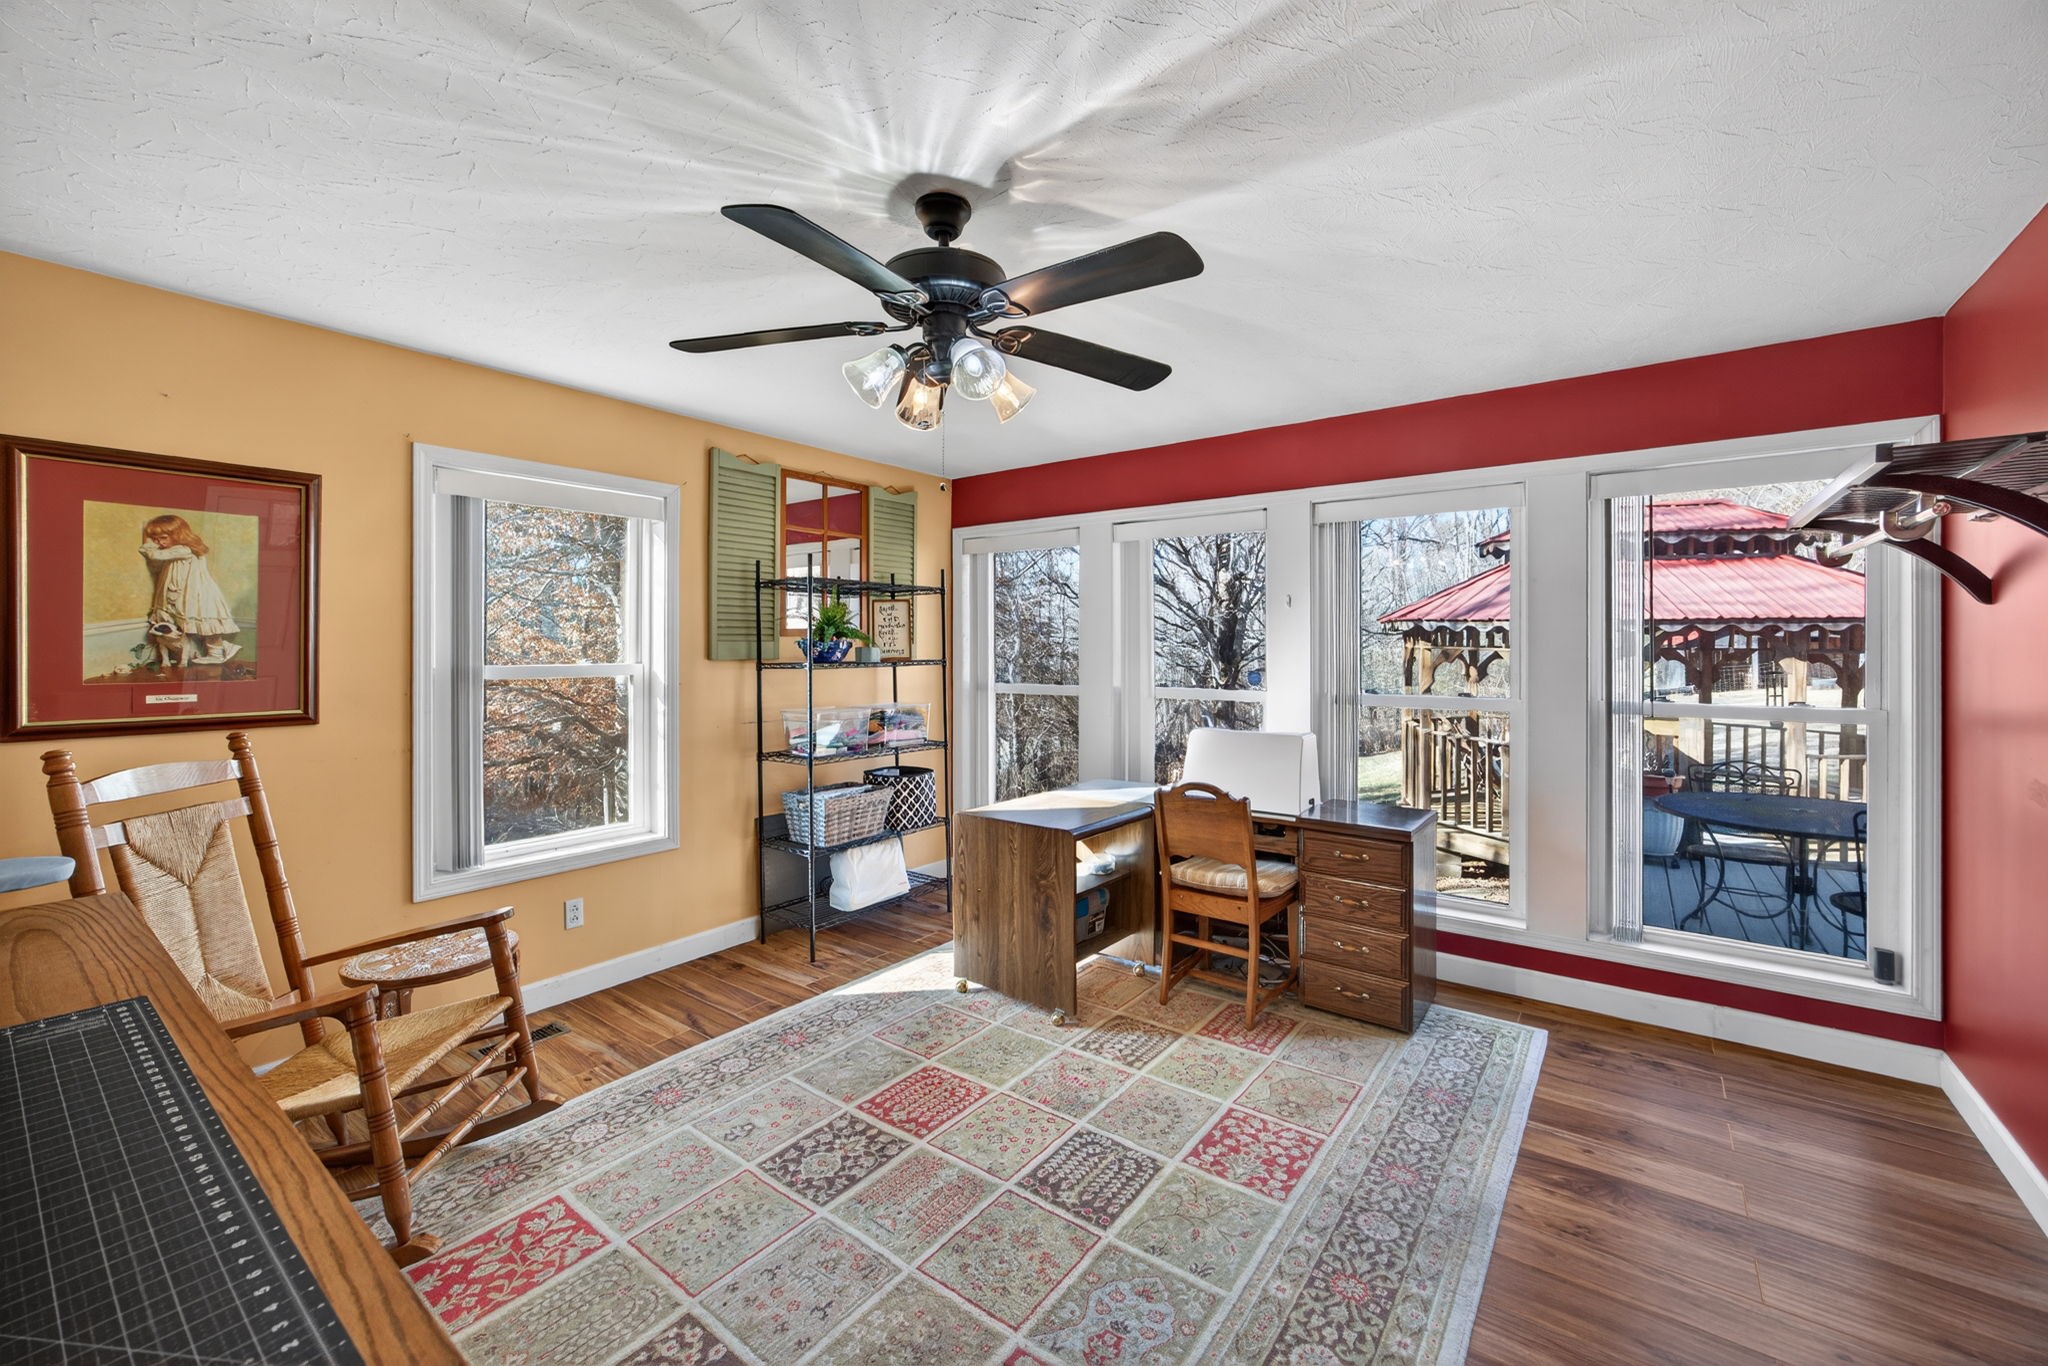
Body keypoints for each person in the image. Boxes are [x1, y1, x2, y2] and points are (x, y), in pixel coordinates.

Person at [138, 514, 240, 662]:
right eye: (155, 539)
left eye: (163, 538)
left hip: (198, 593)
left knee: (206, 623)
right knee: (187, 622)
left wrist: (147, 542)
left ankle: (217, 654)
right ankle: (199, 652)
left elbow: (154, 555)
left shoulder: (183, 550)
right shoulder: (174, 551)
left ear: (178, 535)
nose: (159, 542)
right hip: (184, 592)